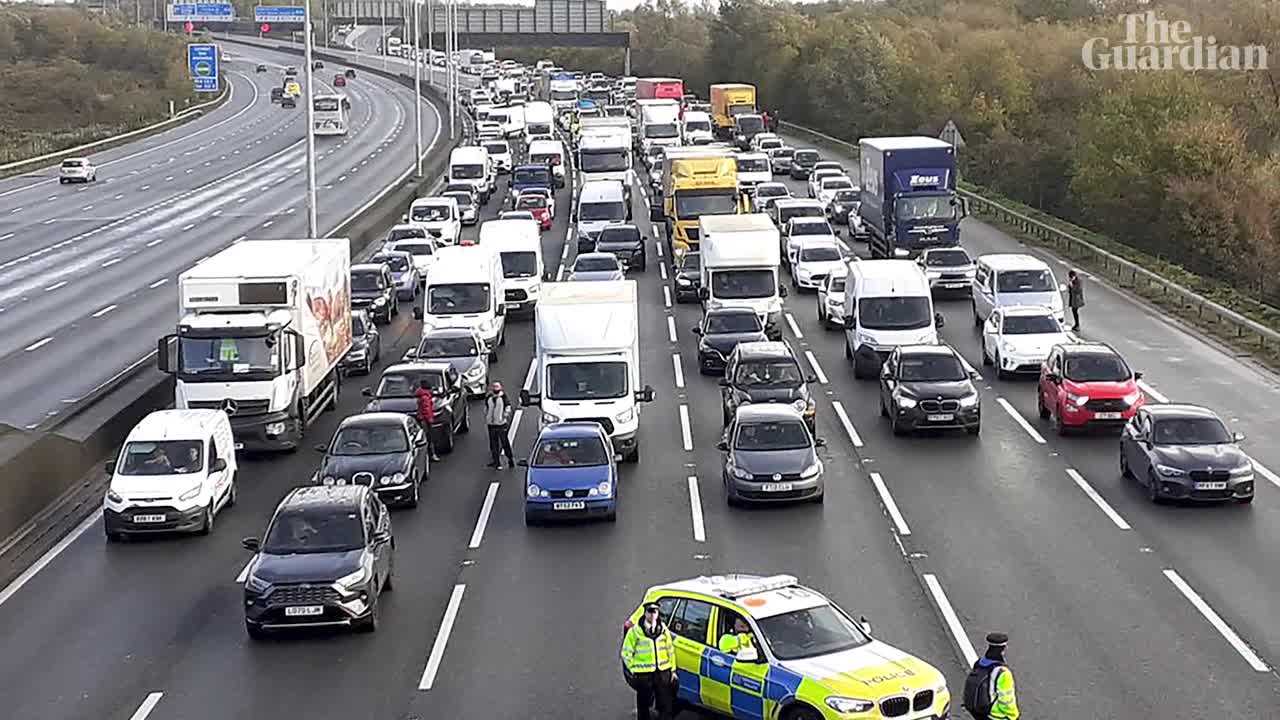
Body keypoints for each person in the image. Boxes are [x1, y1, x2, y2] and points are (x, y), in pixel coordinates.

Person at [621, 602, 677, 720]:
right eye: (650, 612)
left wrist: (672, 670)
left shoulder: (663, 630)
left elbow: (670, 650)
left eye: (655, 612)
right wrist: (633, 669)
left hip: (662, 673)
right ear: (645, 613)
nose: (652, 615)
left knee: (665, 705)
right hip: (644, 675)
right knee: (643, 706)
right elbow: (626, 653)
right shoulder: (636, 632)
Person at [963, 632, 1020, 720]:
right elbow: (1006, 700)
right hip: (997, 716)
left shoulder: (979, 663)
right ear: (1002, 650)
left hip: (980, 713)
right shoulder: (1003, 672)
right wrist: (1013, 716)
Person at [485, 381, 516, 469]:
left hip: (501, 424)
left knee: (504, 443)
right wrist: (487, 416)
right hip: (491, 424)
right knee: (493, 444)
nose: (495, 390)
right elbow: (486, 407)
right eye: (494, 388)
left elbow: (508, 407)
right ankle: (496, 462)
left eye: (497, 388)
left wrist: (504, 416)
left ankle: (510, 459)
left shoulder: (503, 397)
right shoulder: (489, 397)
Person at [414, 379, 441, 462]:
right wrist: (430, 420)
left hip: (421, 419)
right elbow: (427, 409)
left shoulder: (420, 395)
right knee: (429, 438)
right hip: (425, 421)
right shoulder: (425, 397)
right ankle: (432, 455)